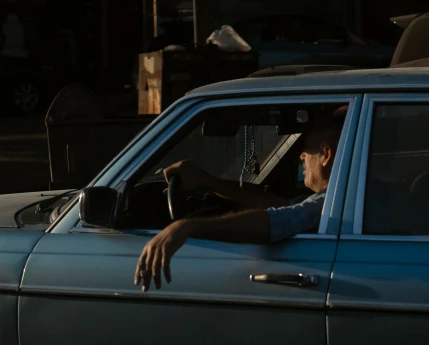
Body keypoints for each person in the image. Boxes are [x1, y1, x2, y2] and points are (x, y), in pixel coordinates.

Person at [134, 120, 342, 292]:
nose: (301, 156)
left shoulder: (328, 202)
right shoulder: (337, 199)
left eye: (307, 149)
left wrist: (185, 227)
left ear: (326, 154)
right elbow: (283, 206)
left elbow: (274, 222)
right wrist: (207, 182)